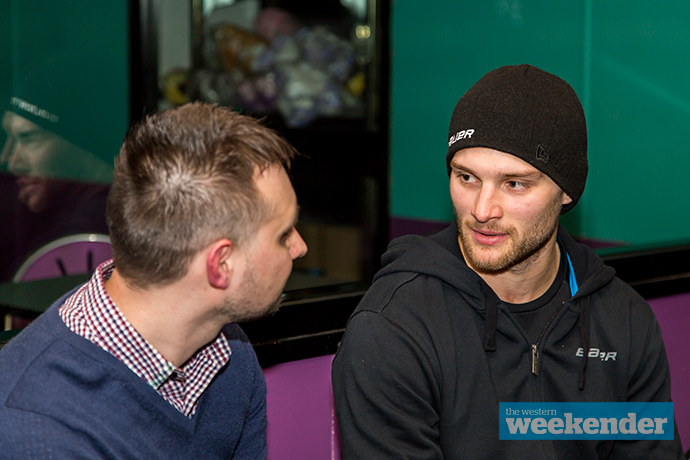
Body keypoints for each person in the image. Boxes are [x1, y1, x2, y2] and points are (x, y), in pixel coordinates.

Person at [332, 64, 684, 458]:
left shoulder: (623, 322)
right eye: (466, 178)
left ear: (566, 191)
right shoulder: (395, 329)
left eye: (514, 184)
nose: (482, 210)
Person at [0, 102, 308, 458]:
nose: (299, 247)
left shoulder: (228, 356)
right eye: (283, 233)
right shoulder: (34, 429)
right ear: (220, 264)